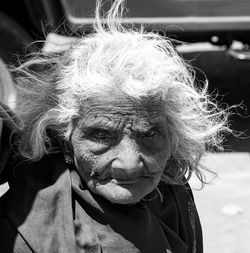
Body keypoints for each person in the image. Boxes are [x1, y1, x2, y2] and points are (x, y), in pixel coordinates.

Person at [0, 0, 231, 252]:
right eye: (101, 134)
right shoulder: (33, 235)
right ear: (65, 137)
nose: (129, 164)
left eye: (150, 133)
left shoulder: (169, 189)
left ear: (174, 138)